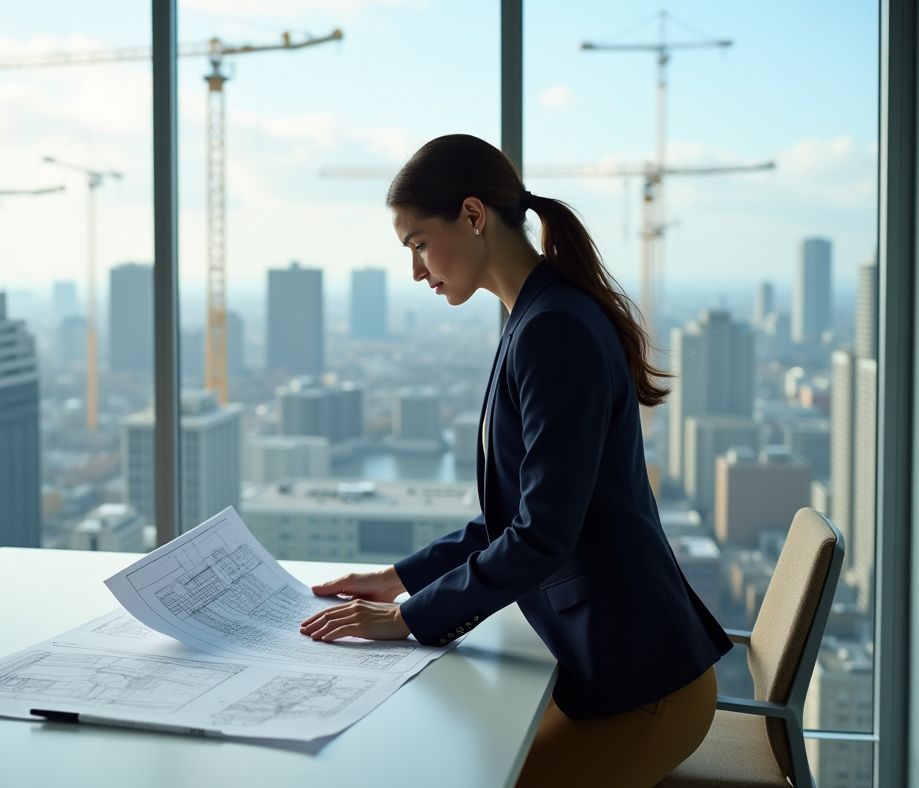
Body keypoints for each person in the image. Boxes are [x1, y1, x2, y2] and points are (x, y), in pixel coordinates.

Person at [299, 134, 732, 787]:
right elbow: (521, 515)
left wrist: (407, 619)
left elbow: (541, 536)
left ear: (474, 216)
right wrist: (401, 578)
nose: (416, 270)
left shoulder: (552, 328)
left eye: (418, 243)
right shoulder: (539, 316)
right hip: (615, 665)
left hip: (643, 688)